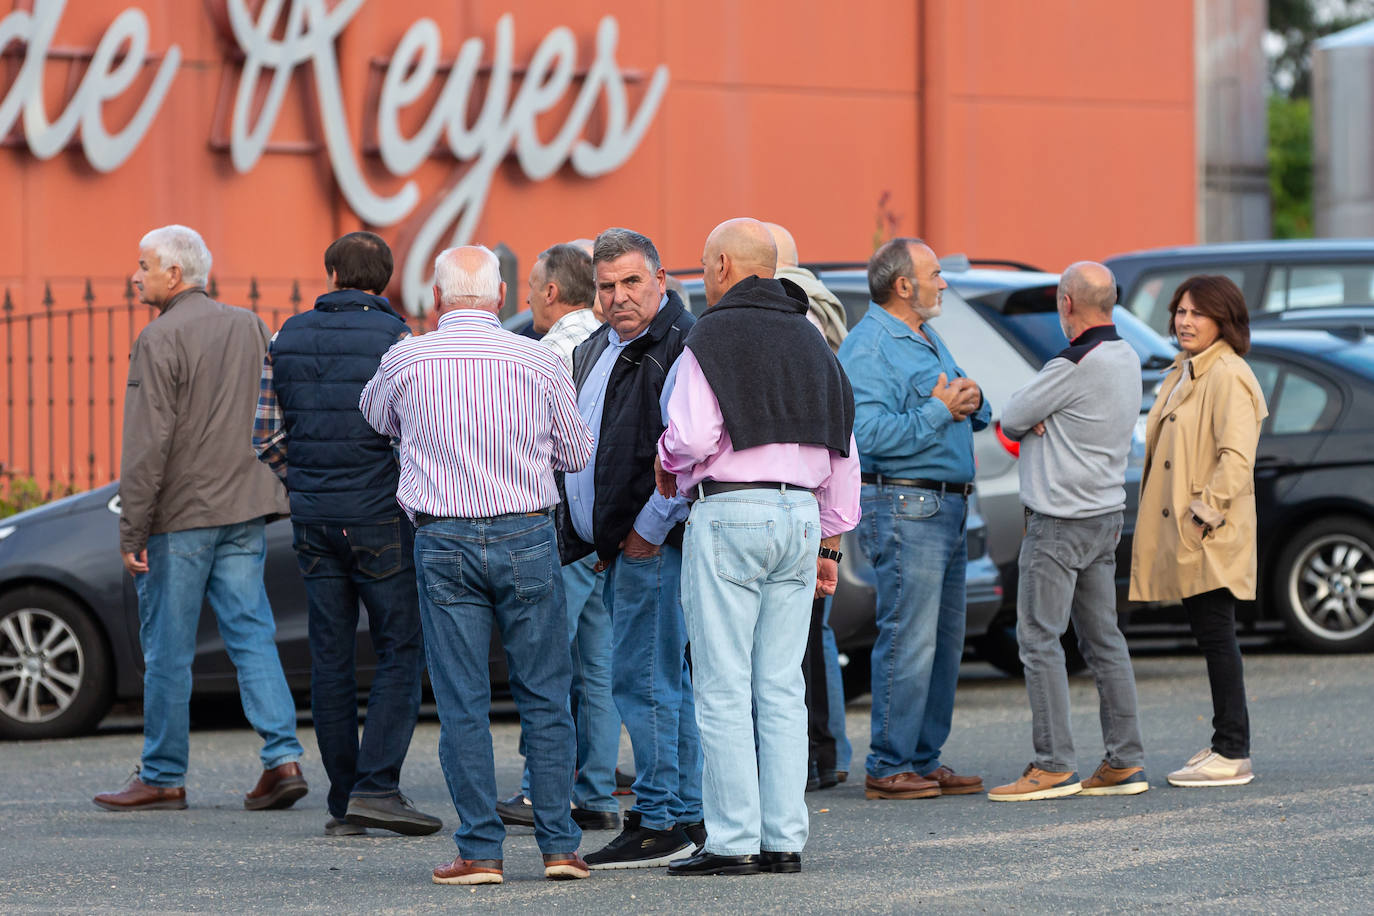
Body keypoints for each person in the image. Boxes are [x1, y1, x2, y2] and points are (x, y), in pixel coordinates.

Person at [360, 245, 595, 885]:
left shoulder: (407, 356)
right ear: (498, 296)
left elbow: (375, 416)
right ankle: (559, 847)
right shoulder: (540, 359)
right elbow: (576, 453)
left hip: (444, 538)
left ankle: (481, 852)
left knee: (462, 701)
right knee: (547, 695)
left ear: (437, 298)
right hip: (526, 534)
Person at [657, 218, 860, 876]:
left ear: (721, 266)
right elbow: (844, 451)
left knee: (721, 686)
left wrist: (666, 464)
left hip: (732, 509)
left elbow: (689, 436)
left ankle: (733, 840)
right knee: (781, 686)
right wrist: (830, 538)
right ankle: (784, 839)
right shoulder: (814, 340)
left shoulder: (710, 335)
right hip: (801, 515)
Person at [96, 225, 306, 813]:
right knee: (251, 633)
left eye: (143, 265)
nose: (134, 275)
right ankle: (282, 758)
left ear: (174, 275)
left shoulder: (158, 337)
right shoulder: (249, 324)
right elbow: (276, 411)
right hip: (245, 507)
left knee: (167, 647)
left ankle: (163, 774)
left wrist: (131, 530)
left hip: (182, 515)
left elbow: (146, 445)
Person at [253, 231, 440, 837]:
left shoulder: (285, 336)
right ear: (383, 281)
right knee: (399, 649)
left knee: (329, 657)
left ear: (331, 272)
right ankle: (376, 786)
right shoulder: (398, 340)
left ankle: (344, 800)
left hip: (312, 518)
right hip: (381, 515)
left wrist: (304, 480)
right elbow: (413, 434)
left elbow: (265, 436)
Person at [561, 228, 705, 869]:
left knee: (643, 683)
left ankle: (659, 818)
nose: (618, 296)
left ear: (661, 280)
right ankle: (687, 811)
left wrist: (645, 529)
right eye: (606, 286)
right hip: (615, 544)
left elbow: (684, 452)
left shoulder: (679, 344)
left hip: (653, 545)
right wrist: (590, 533)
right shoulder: (599, 346)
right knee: (658, 681)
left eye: (631, 283)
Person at [836, 237, 988, 801]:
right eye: (935, 273)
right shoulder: (870, 347)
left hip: (944, 504)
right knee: (910, 639)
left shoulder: (924, 334)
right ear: (904, 285)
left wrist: (973, 398)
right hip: (905, 506)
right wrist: (939, 409)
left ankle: (924, 759)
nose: (943, 282)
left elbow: (962, 396)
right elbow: (864, 435)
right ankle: (889, 764)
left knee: (945, 641)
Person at [989, 262, 1148, 801]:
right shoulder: (1125, 356)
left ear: (1066, 304)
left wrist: (1042, 419)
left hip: (1058, 521)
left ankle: (1053, 763)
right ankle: (1125, 760)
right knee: (1104, 640)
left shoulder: (1071, 362)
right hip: (1105, 516)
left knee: (1038, 640)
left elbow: (1011, 417)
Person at [497, 242, 621, 832]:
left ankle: (535, 791)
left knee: (545, 661)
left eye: (530, 291)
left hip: (561, 524)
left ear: (550, 292)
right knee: (597, 665)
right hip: (604, 524)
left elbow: (536, 446)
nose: (527, 301)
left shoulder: (545, 353)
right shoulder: (607, 341)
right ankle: (596, 791)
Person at [1130, 275, 1267, 788]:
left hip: (1210, 533)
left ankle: (1233, 751)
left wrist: (1202, 515)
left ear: (1223, 320)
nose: (1184, 321)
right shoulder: (1188, 370)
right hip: (1195, 533)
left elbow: (1236, 458)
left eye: (1197, 313)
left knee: (1217, 636)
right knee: (1212, 636)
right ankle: (1225, 742)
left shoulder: (1228, 373)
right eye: (1180, 311)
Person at [764, 220, 852, 790]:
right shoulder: (824, 313)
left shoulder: (787, 319)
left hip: (791, 496)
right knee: (815, 630)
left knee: (787, 643)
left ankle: (810, 753)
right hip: (822, 494)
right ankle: (828, 750)